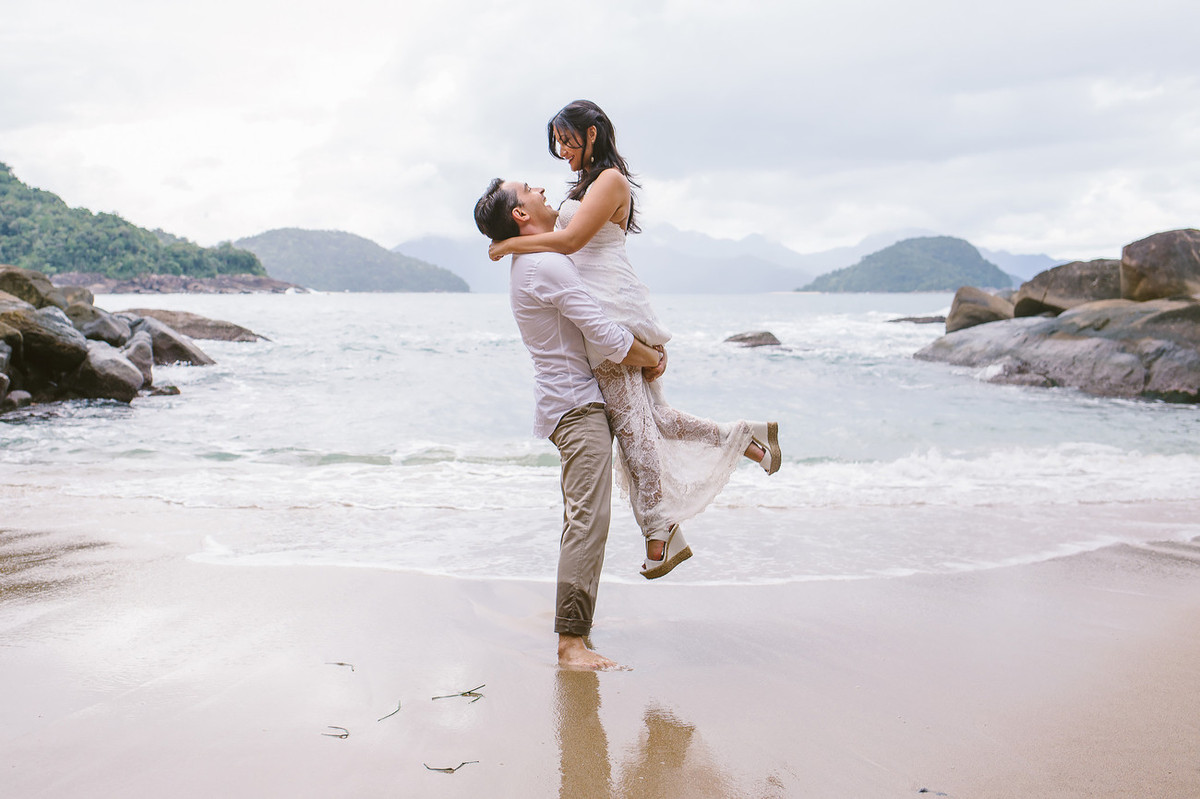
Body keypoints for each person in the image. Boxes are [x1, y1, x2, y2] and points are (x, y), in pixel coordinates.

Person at [487, 100, 781, 579]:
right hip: (609, 309)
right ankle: (743, 437)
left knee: (632, 430)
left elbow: (569, 243)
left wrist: (507, 244)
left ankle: (659, 532)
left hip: (614, 313)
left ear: (593, 135)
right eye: (557, 143)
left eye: (567, 140)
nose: (561, 151)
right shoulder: (584, 185)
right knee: (655, 419)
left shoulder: (611, 182)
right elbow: (563, 242)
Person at [475, 177, 666, 670]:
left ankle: (576, 627)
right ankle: (571, 645)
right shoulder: (543, 265)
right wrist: (649, 358)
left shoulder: (534, 259)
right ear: (521, 214)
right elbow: (602, 332)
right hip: (576, 407)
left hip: (571, 403)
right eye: (528, 189)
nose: (540, 188)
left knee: (583, 519)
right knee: (589, 520)